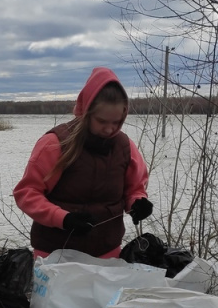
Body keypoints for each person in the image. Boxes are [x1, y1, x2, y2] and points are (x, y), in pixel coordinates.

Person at [13, 66, 152, 258]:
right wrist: (64, 219)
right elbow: (27, 194)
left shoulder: (125, 147)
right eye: (102, 121)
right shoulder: (55, 144)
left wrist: (138, 203)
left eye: (117, 122)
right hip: (55, 255)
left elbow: (134, 189)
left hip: (107, 252)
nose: (110, 129)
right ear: (86, 112)